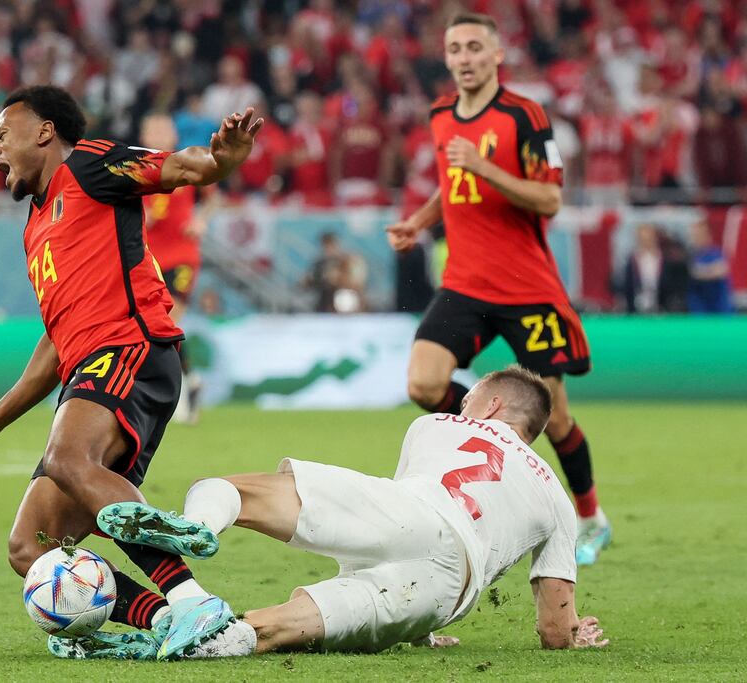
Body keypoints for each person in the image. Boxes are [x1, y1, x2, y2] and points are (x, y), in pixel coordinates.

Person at [0, 85, 264, 656]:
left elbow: (182, 166)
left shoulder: (90, 165)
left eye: (2, 134)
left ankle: (193, 600)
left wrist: (223, 160)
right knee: (31, 547)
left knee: (68, 459)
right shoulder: (35, 227)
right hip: (89, 368)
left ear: (44, 131)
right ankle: (168, 619)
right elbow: (55, 340)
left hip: (131, 348)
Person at [95, 367, 609, 658]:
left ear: (491, 404)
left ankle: (200, 525)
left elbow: (397, 531)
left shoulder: (434, 425)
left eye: (469, 398)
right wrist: (573, 635)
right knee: (267, 634)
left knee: (226, 489)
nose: (462, 406)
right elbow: (553, 630)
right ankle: (215, 640)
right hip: (441, 594)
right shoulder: (555, 496)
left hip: (408, 512)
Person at [384, 12, 610, 565]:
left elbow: (549, 199)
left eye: (474, 47)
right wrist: (420, 222)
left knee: (555, 417)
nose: (464, 58)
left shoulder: (524, 115)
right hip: (465, 282)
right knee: (423, 382)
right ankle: (493, 435)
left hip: (526, 287)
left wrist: (485, 167)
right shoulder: (441, 115)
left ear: (496, 55)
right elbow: (451, 184)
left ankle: (591, 517)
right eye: (455, 48)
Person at [140, 112, 215, 423]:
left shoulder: (186, 163)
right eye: (153, 128)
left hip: (182, 256)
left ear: (174, 135)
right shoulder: (137, 170)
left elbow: (212, 197)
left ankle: (176, 393)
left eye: (164, 128)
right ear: (143, 136)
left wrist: (201, 220)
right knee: (158, 328)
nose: (159, 134)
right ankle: (190, 382)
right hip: (149, 260)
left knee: (166, 322)